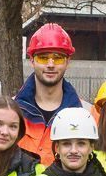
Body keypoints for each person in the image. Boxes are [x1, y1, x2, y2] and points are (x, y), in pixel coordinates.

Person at [14, 24, 82, 164]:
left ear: (67, 62)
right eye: (43, 58)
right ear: (32, 60)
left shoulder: (85, 113)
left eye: (58, 58)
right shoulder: (11, 110)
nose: (50, 64)